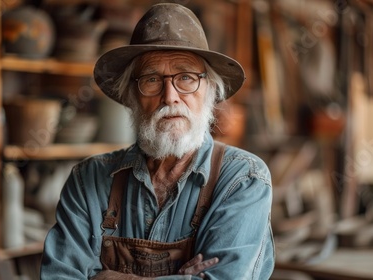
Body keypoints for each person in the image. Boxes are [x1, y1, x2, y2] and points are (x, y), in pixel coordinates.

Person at [40, 3, 274, 279]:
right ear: (131, 96)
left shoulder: (243, 178)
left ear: (210, 90)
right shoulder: (87, 179)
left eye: (186, 77)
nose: (170, 96)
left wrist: (108, 277)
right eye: (152, 79)